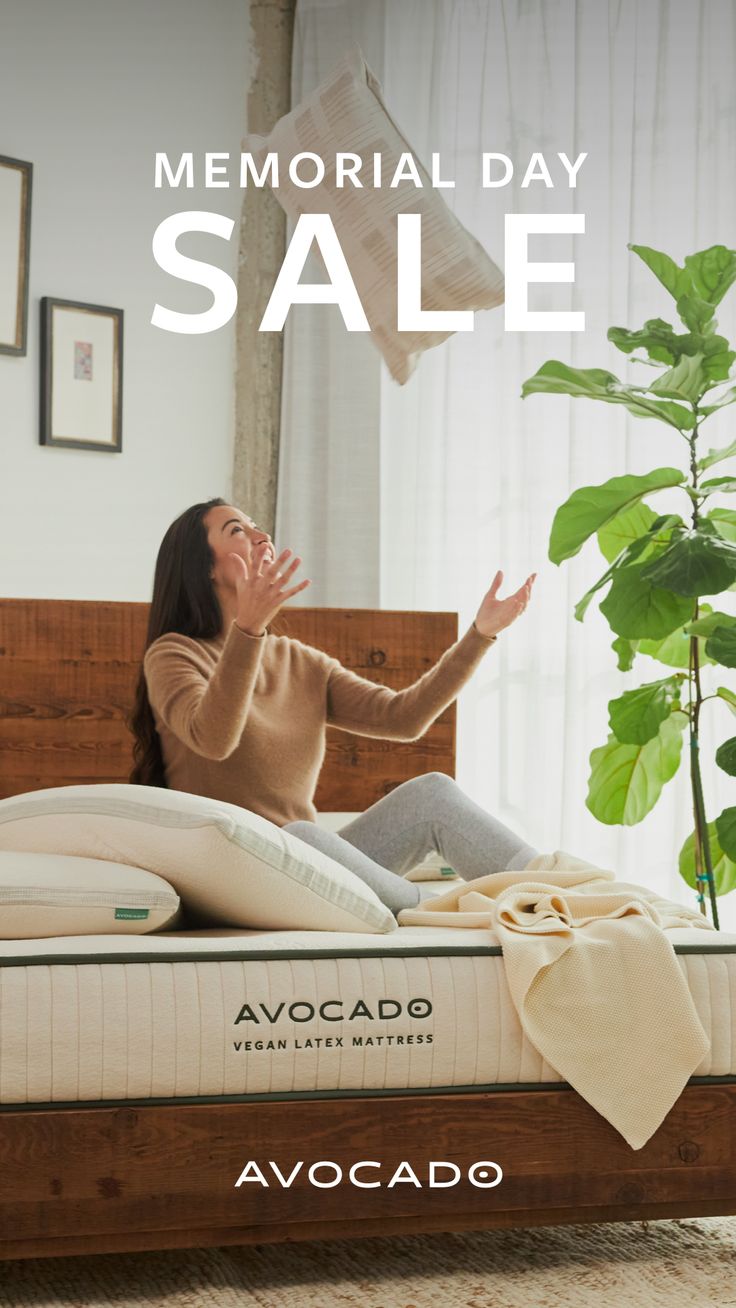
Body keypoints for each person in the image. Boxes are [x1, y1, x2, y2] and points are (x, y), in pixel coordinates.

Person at [130, 497, 539, 914]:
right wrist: (248, 630)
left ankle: (556, 892)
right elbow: (213, 739)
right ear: (206, 568)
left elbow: (404, 718)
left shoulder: (300, 661)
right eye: (237, 530)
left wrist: (480, 634)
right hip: (234, 878)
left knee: (430, 794)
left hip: (307, 865)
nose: (261, 535)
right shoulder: (172, 656)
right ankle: (446, 913)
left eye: (256, 525)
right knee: (301, 836)